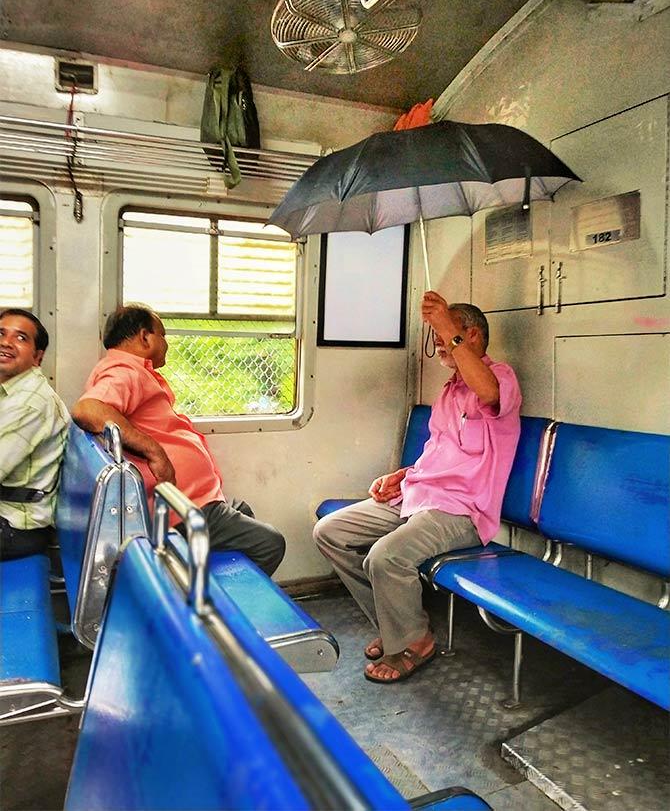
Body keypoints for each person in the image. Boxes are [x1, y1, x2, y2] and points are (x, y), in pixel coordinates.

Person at [313, 291, 521, 684]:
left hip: (460, 510)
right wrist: (402, 475)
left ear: (471, 335)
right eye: (438, 334)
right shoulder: (448, 391)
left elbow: (489, 393)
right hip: (416, 496)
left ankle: (414, 642)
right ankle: (394, 626)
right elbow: (441, 452)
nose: (439, 341)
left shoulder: (499, 379)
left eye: (446, 334)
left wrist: (445, 323)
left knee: (384, 557)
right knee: (331, 532)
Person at [71, 304, 285, 576]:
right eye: (163, 335)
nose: (167, 344)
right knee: (270, 543)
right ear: (145, 337)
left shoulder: (135, 371)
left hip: (193, 500)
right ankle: (211, 605)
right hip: (180, 509)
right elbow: (87, 409)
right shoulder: (125, 371)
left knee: (243, 510)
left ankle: (215, 584)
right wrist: (156, 452)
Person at [0, 309, 70, 560]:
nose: (5, 342)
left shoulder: (30, 402)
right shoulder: (10, 392)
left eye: (21, 338)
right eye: (1, 333)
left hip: (15, 525)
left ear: (37, 357)